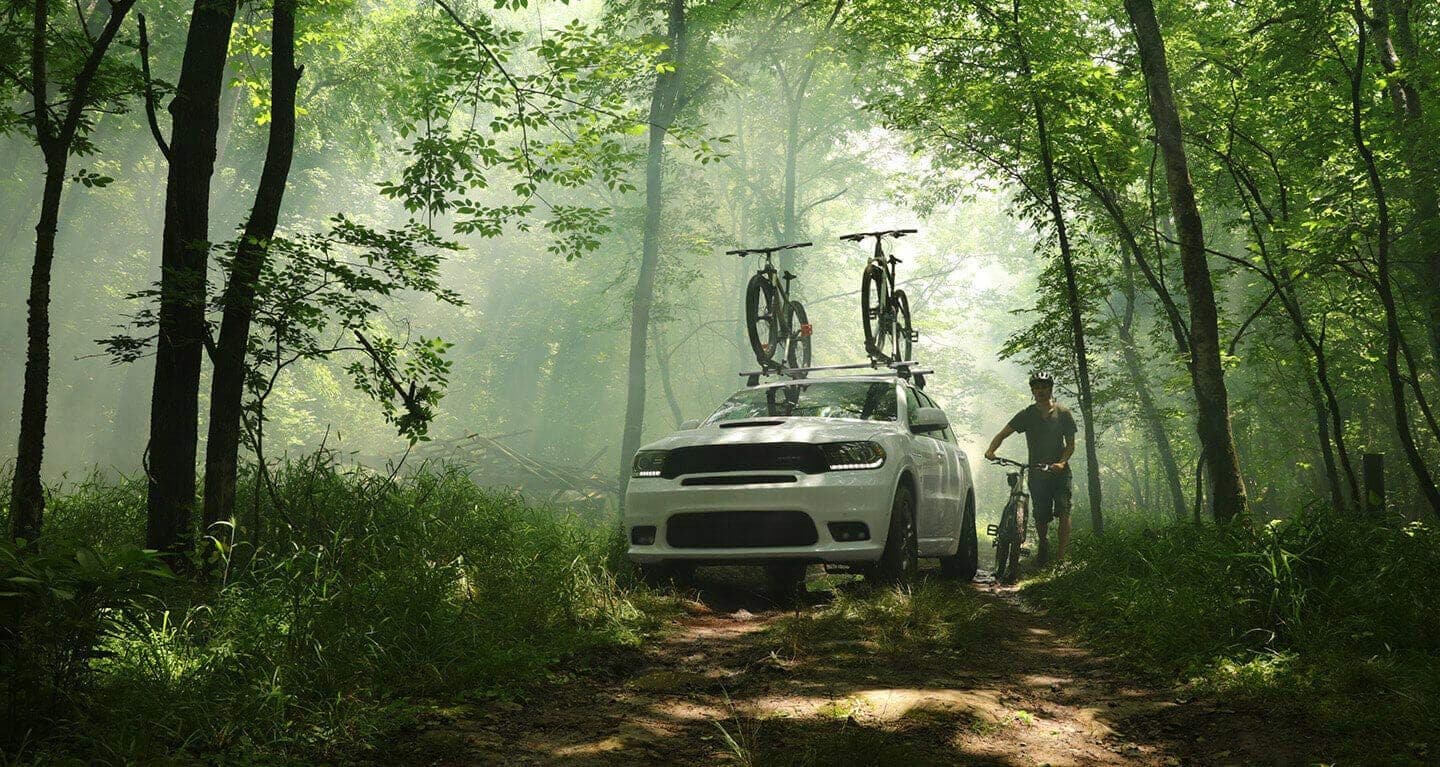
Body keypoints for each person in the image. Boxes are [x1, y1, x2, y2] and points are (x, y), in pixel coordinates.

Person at [983, 371, 1076, 567]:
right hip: (1037, 472)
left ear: (1050, 389)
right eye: (1036, 388)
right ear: (1032, 391)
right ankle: (1043, 545)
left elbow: (1070, 445)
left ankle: (1061, 556)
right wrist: (991, 450)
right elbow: (1002, 434)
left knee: (1064, 509)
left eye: (1044, 387)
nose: (1040, 391)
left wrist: (1062, 462)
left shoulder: (1063, 413)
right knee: (1041, 514)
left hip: (1059, 472)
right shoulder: (1027, 414)